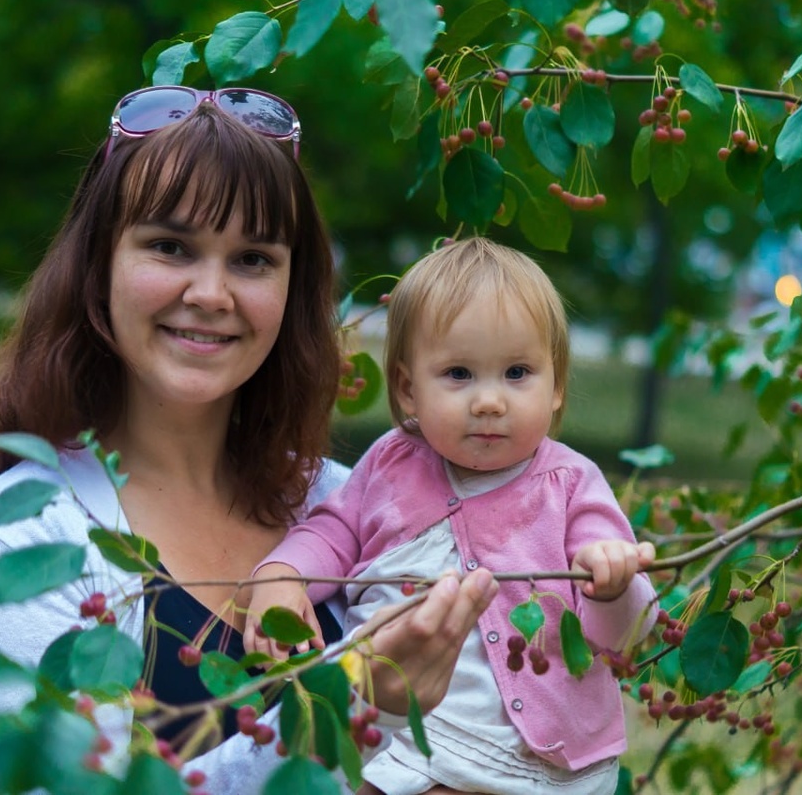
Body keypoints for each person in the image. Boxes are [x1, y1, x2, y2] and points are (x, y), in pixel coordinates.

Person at [0, 85, 497, 793]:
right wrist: (349, 702)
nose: (211, 293)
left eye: (253, 258)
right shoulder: (22, 544)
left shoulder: (352, 504)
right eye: (170, 246)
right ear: (98, 263)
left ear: (295, 286)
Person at [245, 237, 659, 795]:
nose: (489, 401)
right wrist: (283, 575)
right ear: (408, 389)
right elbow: (333, 531)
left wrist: (612, 585)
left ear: (556, 386)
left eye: (517, 373)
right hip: (403, 730)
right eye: (459, 374)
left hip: (532, 755)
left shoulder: (569, 486)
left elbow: (621, 638)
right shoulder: (391, 463)